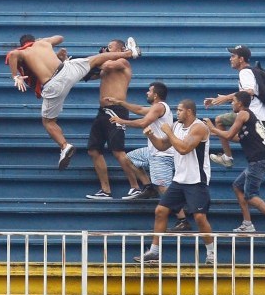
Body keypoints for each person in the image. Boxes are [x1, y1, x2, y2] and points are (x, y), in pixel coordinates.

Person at [6, 34, 139, 170]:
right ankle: (129, 53)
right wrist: (44, 41)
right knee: (94, 59)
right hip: (65, 71)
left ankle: (64, 145)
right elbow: (60, 38)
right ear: (35, 40)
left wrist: (15, 76)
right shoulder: (43, 43)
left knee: (49, 122)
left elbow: (13, 55)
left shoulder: (23, 51)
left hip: (52, 85)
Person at [134, 99, 215, 264]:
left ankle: (211, 254)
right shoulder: (176, 126)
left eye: (179, 110)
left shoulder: (199, 127)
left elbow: (184, 149)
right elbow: (162, 146)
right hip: (180, 179)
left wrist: (169, 133)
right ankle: (154, 252)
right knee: (160, 211)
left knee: (200, 217)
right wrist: (151, 135)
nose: (177, 113)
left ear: (189, 112)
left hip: (196, 180)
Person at [108, 82, 192, 232]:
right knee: (129, 158)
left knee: (163, 188)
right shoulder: (157, 107)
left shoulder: (159, 107)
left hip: (162, 154)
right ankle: (148, 187)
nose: (147, 93)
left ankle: (183, 219)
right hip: (153, 151)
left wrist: (122, 121)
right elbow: (140, 110)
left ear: (156, 95)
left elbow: (143, 122)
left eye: (149, 91)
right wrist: (121, 103)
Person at [205, 45, 265, 200]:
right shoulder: (250, 72)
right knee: (220, 120)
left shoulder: (245, 72)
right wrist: (220, 99)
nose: (230, 59)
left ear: (241, 59)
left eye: (233, 56)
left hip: (258, 118)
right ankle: (228, 157)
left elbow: (248, 91)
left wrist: (225, 98)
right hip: (254, 115)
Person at [204, 91, 265, 234]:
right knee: (237, 186)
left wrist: (213, 129)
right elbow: (236, 138)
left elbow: (229, 135)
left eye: (233, 101)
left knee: (250, 195)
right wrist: (217, 132)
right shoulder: (248, 117)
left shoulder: (243, 114)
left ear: (240, 103)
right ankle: (247, 223)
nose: (231, 104)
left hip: (259, 159)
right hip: (262, 158)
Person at [83, 39, 146, 200]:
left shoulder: (122, 62)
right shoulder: (105, 67)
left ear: (121, 49)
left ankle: (136, 187)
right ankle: (105, 190)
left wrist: (101, 58)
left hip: (116, 110)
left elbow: (105, 65)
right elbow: (88, 74)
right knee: (93, 150)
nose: (106, 49)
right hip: (103, 111)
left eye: (110, 47)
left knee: (118, 150)